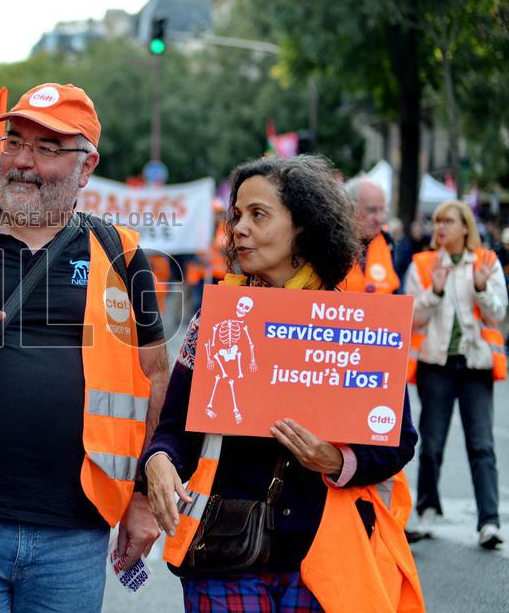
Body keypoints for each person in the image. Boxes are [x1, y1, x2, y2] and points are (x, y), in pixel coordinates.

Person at [0, 83, 170, 613]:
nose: (23, 161)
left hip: (75, 532)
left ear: (87, 165)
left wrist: (142, 497)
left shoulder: (120, 254)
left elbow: (155, 377)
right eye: (15, 141)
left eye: (48, 148)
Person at [144, 156, 421, 611]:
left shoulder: (355, 324)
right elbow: (174, 429)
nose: (239, 229)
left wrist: (336, 460)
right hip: (223, 547)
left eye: (258, 214)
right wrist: (158, 460)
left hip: (322, 553)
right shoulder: (216, 319)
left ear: (304, 229)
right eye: (236, 215)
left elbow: (398, 440)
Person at [405, 200, 507, 549]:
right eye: (436, 222)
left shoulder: (487, 263)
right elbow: (410, 317)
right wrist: (434, 291)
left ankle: (489, 522)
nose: (440, 228)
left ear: (466, 227)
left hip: (475, 366)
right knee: (431, 444)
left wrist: (480, 287)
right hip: (435, 366)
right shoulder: (422, 264)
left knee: (482, 445)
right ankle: (427, 511)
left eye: (448, 221)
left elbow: (499, 314)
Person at [338, 178, 399, 294]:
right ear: (350, 208)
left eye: (382, 210)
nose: (379, 219)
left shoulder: (387, 242)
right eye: (372, 210)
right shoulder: (331, 245)